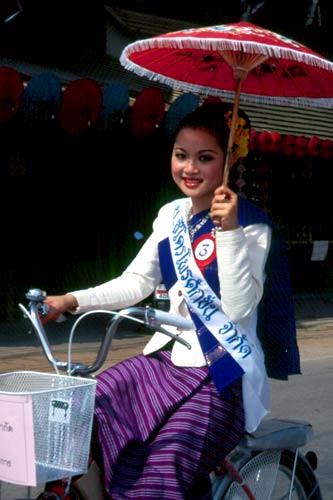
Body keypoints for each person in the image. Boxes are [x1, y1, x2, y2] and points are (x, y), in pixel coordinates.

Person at [38, 101, 300, 500]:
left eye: (205, 158)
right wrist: (70, 300)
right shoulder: (172, 216)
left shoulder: (251, 226)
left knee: (168, 458)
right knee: (82, 416)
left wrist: (228, 232)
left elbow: (238, 308)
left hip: (223, 374)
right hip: (167, 362)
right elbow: (137, 281)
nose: (190, 168)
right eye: (181, 155)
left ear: (229, 162)